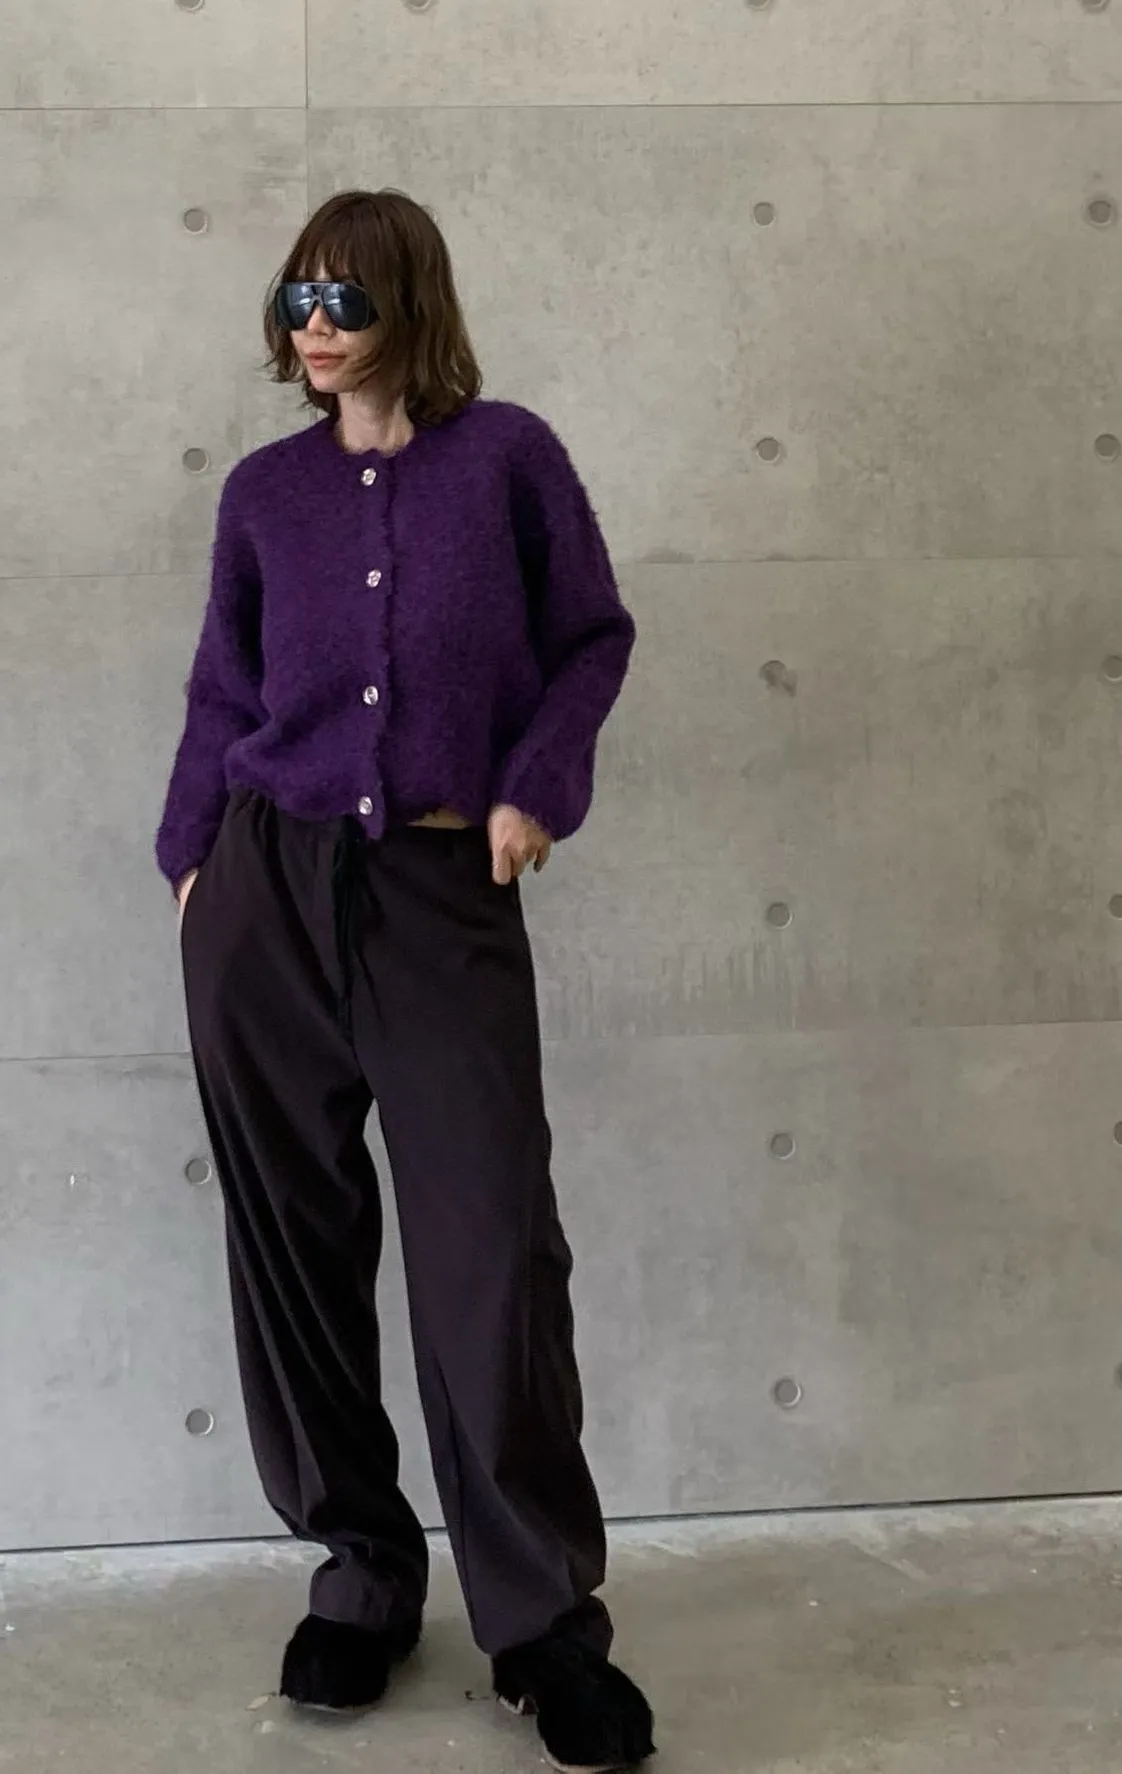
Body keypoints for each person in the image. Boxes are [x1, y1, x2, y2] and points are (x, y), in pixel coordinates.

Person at [156, 188, 655, 1773]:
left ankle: (544, 1622)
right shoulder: (265, 494)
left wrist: (536, 786)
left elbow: (591, 638)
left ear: (411, 304)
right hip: (265, 890)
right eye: (297, 295)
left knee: (491, 1252)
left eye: (347, 296)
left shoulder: (507, 460)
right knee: (294, 1246)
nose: (316, 323)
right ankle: (363, 1570)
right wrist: (190, 862)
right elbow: (222, 686)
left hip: (442, 893)